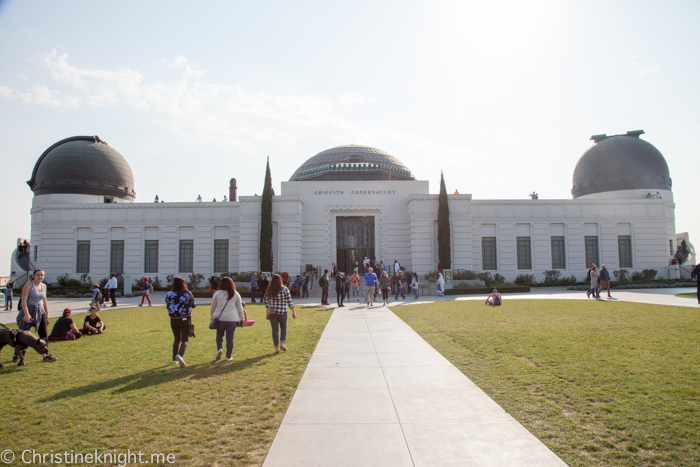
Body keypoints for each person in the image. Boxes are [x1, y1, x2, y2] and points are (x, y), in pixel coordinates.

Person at [17, 269, 54, 362]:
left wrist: (47, 314)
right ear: (34, 275)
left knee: (44, 334)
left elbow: (44, 301)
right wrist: (26, 314)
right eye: (38, 275)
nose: (40, 277)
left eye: (42, 275)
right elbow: (23, 301)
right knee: (24, 334)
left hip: (40, 311)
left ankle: (46, 355)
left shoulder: (43, 286)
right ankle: (18, 355)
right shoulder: (29, 285)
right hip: (29, 310)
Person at [210, 277, 246, 361]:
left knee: (219, 335)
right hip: (232, 319)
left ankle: (220, 348)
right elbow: (240, 308)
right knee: (230, 338)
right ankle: (228, 356)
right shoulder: (235, 293)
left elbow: (213, 306)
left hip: (220, 318)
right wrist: (242, 318)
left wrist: (212, 316)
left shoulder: (217, 293)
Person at [165, 277, 197, 368]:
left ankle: (174, 359)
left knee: (176, 339)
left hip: (173, 319)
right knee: (185, 339)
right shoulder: (187, 293)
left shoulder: (169, 294)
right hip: (184, 318)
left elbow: (168, 305)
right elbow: (193, 305)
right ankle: (180, 355)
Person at [263, 274, 296, 353]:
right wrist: (293, 311)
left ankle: (276, 347)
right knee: (283, 327)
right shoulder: (285, 289)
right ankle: (282, 343)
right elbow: (289, 301)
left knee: (275, 330)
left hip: (273, 313)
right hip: (283, 312)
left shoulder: (269, 290)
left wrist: (268, 307)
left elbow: (266, 302)